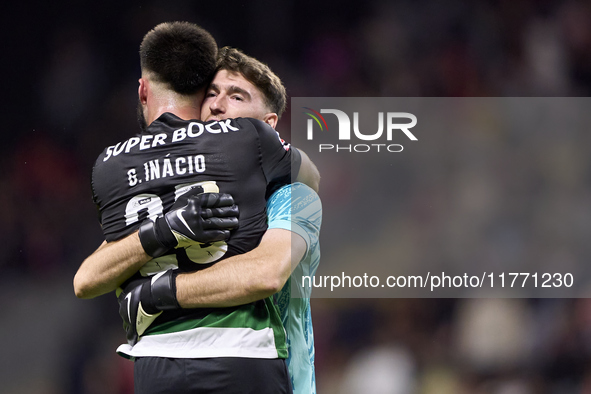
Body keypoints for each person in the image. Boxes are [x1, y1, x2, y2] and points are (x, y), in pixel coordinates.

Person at [74, 22, 320, 393]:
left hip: (273, 369)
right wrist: (163, 229)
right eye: (212, 93)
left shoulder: (295, 198)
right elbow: (87, 277)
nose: (219, 105)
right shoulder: (181, 188)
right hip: (164, 362)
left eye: (237, 97)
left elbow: (264, 274)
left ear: (271, 127)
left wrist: (159, 291)